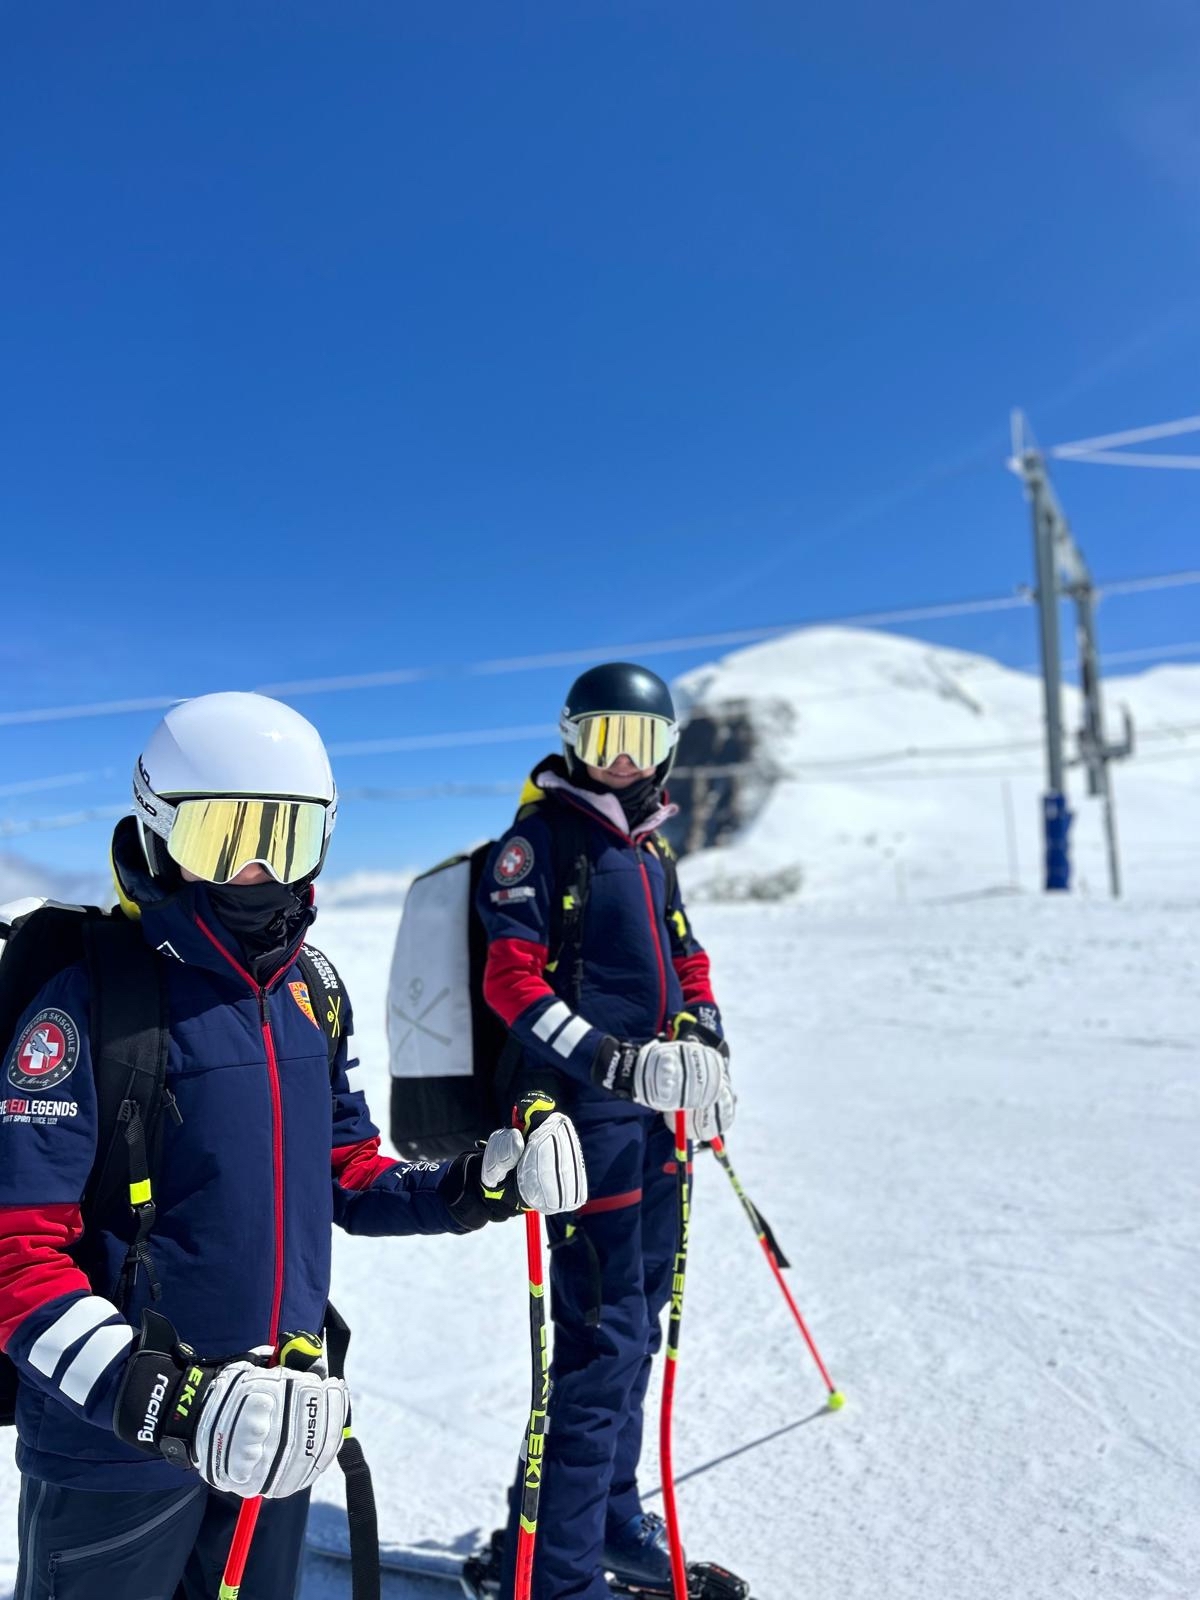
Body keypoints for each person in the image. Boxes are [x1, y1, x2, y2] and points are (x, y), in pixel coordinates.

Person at [1, 691, 586, 1600]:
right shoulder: (86, 1004)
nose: (258, 869)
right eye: (223, 838)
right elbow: (16, 1257)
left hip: (278, 1426)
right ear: (159, 831)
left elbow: (346, 1177)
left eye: (287, 834)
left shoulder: (310, 992)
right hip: (114, 1456)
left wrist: (472, 1187)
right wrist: (164, 1401)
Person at [477, 662, 734, 1600]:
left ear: (667, 749)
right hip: (585, 1132)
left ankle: (609, 1519)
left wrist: (706, 1043)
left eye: (641, 740)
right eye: (600, 738)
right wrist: (618, 1064)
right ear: (570, 740)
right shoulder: (539, 844)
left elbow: (688, 956)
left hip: (661, 1128)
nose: (620, 761)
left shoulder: (651, 850)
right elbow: (510, 984)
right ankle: (551, 1572)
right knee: (599, 1345)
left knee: (639, 1327)